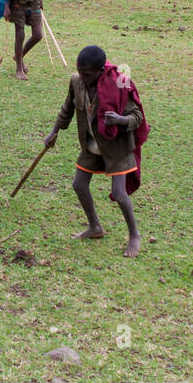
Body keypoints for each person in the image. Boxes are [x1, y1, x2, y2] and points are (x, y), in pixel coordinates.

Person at [42, 46, 149, 258]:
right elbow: (67, 109)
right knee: (79, 185)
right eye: (80, 71)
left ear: (101, 70)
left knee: (119, 193)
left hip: (116, 146)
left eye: (88, 74)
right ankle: (95, 227)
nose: (83, 77)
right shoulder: (76, 82)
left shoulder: (119, 83)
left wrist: (120, 120)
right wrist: (54, 131)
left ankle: (134, 235)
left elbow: (137, 116)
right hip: (91, 144)